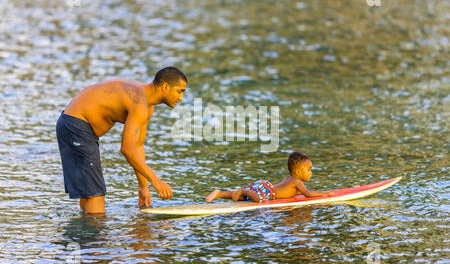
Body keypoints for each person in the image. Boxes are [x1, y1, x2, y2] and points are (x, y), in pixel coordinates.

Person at [56, 67, 187, 214]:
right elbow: (127, 148)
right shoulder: (139, 103)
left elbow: (137, 146)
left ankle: (86, 230)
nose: (181, 98)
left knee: (89, 192)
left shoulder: (146, 105)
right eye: (179, 91)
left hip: (72, 124)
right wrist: (156, 181)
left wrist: (143, 187)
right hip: (76, 125)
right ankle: (93, 234)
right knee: (96, 195)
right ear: (165, 87)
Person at [205, 151, 334, 203]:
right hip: (268, 192)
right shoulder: (296, 181)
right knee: (255, 198)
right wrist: (325, 194)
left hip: (265, 187)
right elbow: (308, 194)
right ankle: (243, 191)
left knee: (242, 198)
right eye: (309, 170)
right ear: (299, 172)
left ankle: (219, 193)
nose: (311, 173)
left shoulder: (290, 179)